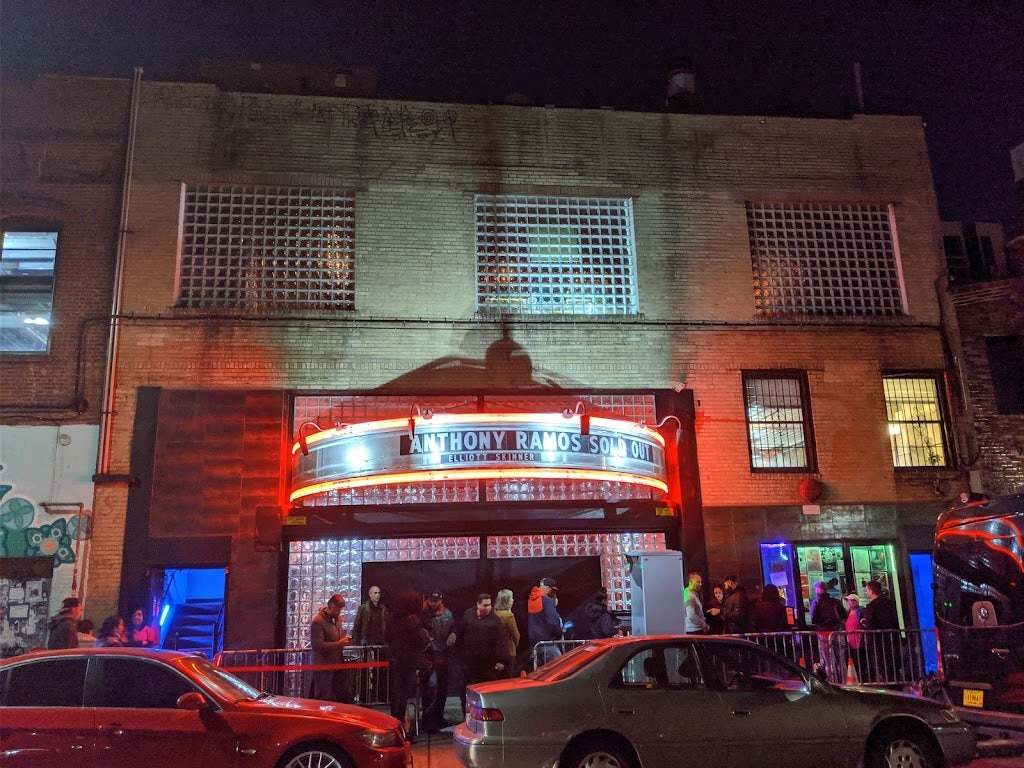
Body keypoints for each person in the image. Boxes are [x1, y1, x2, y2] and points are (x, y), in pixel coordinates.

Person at [447, 593, 510, 715]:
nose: (488, 608)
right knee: (466, 691)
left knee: (486, 692)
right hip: (468, 663)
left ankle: (485, 716)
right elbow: (461, 630)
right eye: (485, 605)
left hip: (486, 665)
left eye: (489, 605)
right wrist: (454, 635)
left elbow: (500, 642)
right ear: (478, 604)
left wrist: (502, 660)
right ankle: (466, 716)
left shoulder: (495, 621)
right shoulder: (468, 615)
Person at [385, 591, 431, 729]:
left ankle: (395, 726)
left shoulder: (392, 619)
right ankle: (400, 729)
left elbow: (387, 636)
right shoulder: (412, 620)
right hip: (409, 662)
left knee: (396, 697)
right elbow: (421, 640)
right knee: (403, 697)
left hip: (395, 660)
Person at [420, 589, 455, 731]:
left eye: (437, 601)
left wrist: (454, 634)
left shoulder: (447, 614)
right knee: (428, 689)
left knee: (442, 689)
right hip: (428, 657)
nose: (434, 603)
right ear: (428, 600)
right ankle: (427, 721)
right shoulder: (422, 613)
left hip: (443, 655)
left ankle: (439, 718)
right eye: (432, 601)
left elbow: (454, 627)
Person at [309, 593, 353, 702]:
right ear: (330, 606)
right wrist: (339, 644)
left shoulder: (337, 620)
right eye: (337, 609)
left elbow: (339, 635)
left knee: (340, 696)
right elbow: (317, 645)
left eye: (340, 610)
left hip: (337, 664)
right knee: (324, 697)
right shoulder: (318, 621)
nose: (338, 613)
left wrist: (346, 640)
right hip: (323, 666)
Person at [861, 580, 901, 682]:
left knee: (882, 664)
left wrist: (865, 624)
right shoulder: (889, 603)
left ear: (871, 591)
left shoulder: (871, 606)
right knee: (892, 663)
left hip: (878, 641)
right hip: (891, 638)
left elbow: (871, 624)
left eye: (867, 591)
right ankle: (896, 683)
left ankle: (886, 683)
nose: (867, 593)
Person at [528, 577, 563, 665]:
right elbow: (553, 623)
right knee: (558, 667)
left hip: (535, 644)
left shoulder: (531, 600)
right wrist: (559, 633)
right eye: (551, 590)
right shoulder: (547, 601)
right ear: (548, 589)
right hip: (548, 643)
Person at [493, 589, 521, 677]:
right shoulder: (508, 616)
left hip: (495, 651)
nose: (513, 600)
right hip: (508, 652)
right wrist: (514, 645)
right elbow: (516, 634)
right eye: (511, 598)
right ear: (506, 601)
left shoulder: (493, 613)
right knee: (507, 677)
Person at [845, 593, 865, 679]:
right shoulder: (848, 612)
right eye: (848, 601)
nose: (849, 602)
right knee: (852, 660)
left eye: (851, 600)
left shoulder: (861, 610)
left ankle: (863, 678)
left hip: (859, 639)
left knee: (860, 661)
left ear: (856, 601)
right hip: (850, 640)